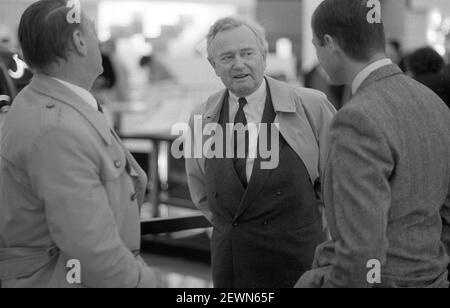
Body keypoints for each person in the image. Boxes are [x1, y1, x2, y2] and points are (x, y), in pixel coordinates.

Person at [0, 0, 158, 288]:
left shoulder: (56, 105)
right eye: (94, 33)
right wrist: (144, 282)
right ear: (79, 41)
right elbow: (90, 246)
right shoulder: (55, 128)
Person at [296, 0, 450, 288]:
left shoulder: (357, 117)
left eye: (316, 45)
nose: (318, 55)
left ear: (330, 44)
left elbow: (361, 251)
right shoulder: (435, 104)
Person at [185, 17, 336, 288]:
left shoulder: (311, 107)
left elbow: (336, 189)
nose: (239, 64)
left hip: (299, 264)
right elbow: (202, 193)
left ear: (264, 56)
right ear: (213, 65)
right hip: (231, 264)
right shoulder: (202, 117)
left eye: (247, 53)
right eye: (227, 57)